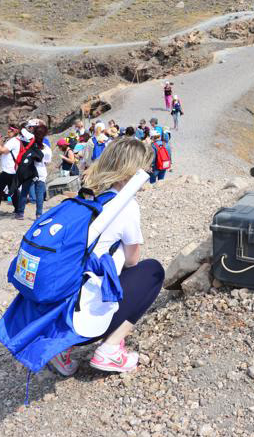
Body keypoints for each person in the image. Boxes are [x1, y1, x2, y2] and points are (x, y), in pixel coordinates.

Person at [47, 137, 164, 375]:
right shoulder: (126, 206)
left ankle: (60, 349)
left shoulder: (88, 197)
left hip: (60, 313)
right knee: (151, 271)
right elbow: (132, 260)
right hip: (86, 323)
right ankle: (110, 348)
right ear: (131, 172)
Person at [0, 124, 29, 217]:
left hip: (8, 170)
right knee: (13, 191)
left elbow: (1, 150)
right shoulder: (18, 141)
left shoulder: (13, 141)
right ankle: (18, 210)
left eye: (9, 131)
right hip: (13, 170)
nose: (8, 132)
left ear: (15, 131)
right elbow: (3, 149)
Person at [18, 124, 52, 219]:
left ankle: (20, 213)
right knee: (40, 194)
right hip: (41, 172)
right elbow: (47, 162)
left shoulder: (29, 144)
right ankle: (38, 214)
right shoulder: (46, 148)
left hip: (29, 171)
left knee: (24, 191)